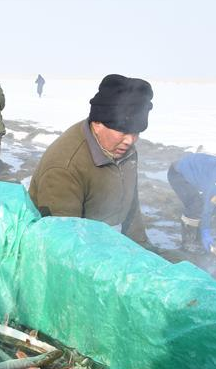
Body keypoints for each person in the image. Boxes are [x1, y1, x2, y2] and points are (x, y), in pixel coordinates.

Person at [28, 74, 153, 245]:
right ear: (98, 124)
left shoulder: (125, 150)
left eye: (136, 132)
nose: (130, 140)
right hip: (77, 249)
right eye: (123, 131)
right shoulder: (65, 167)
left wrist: (143, 249)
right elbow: (62, 243)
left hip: (107, 244)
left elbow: (131, 206)